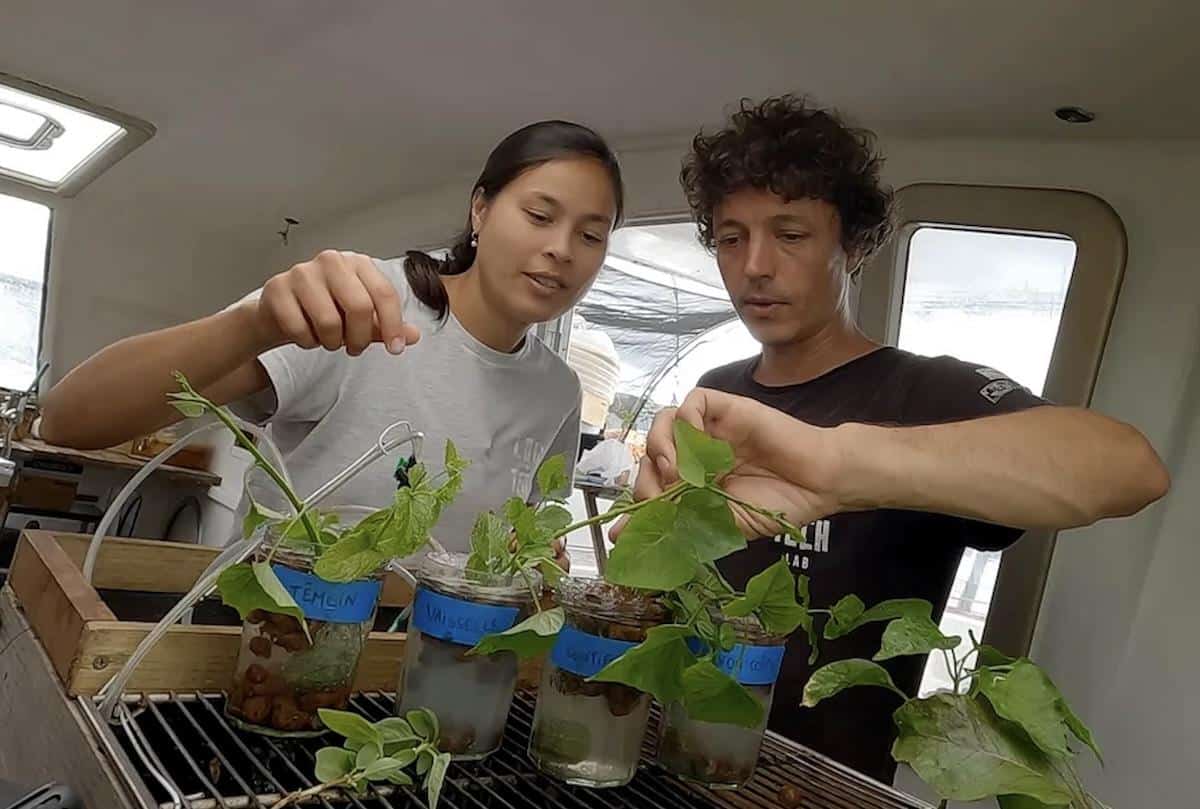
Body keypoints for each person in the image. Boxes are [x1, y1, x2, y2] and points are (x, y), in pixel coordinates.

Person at [622, 96, 1169, 782]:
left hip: (826, 787)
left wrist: (839, 465)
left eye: (790, 234)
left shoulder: (924, 393)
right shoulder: (718, 388)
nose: (755, 265)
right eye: (732, 238)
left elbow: (1128, 468)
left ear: (855, 244)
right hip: (677, 755)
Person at [40, 120, 625, 557]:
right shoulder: (363, 302)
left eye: (591, 235)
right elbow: (69, 422)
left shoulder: (558, 391)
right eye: (540, 216)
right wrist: (253, 323)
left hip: (427, 686)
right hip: (273, 653)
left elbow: (530, 530)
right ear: (481, 210)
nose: (562, 249)